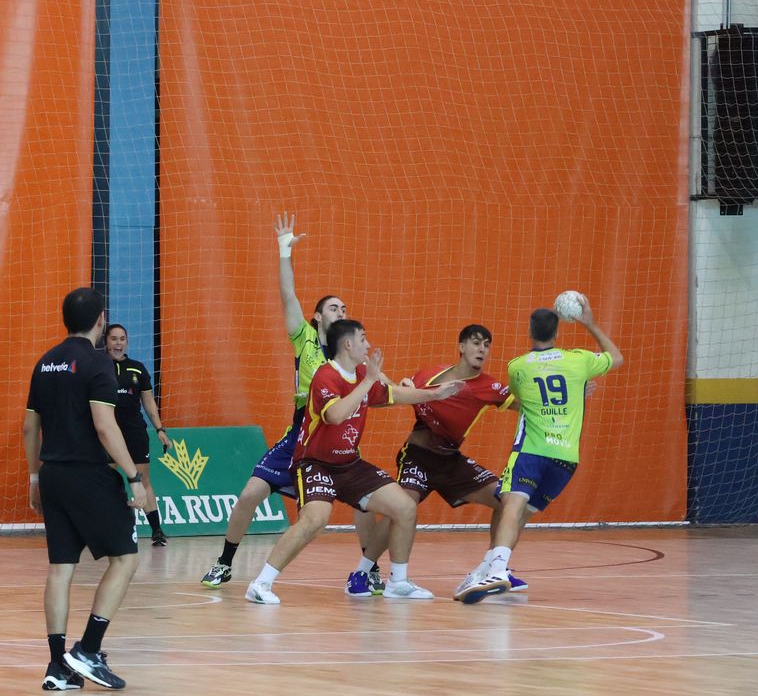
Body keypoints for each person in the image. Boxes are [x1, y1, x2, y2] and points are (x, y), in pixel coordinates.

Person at [200, 213, 382, 591]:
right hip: (300, 434)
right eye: (334, 308)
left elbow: (381, 385)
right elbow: (288, 295)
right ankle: (225, 561)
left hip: (337, 436)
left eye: (345, 309)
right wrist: (284, 251)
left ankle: (370, 566)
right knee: (250, 493)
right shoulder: (305, 338)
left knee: (365, 504)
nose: (341, 313)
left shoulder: (353, 353)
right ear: (317, 317)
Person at [242, 319, 463, 605]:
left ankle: (398, 582)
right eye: (363, 339)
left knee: (405, 507)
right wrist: (369, 381)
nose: (368, 345)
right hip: (314, 463)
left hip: (348, 464)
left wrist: (434, 394)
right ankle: (261, 583)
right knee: (315, 519)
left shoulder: (361, 374)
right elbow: (335, 415)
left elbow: (394, 395)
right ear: (348, 344)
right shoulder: (326, 375)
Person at [24, 288, 158, 691]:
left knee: (61, 569)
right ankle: (88, 649)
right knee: (125, 559)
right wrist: (134, 477)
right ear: (101, 320)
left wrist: (34, 476)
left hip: (52, 475)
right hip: (88, 475)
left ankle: (56, 666)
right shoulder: (99, 364)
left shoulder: (45, 362)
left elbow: (30, 427)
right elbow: (104, 425)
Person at [456, 300, 622, 603]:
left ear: (530, 331)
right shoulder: (579, 361)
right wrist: (590, 324)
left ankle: (497, 570)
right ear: (558, 331)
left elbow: (522, 398)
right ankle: (486, 569)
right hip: (566, 459)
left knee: (511, 508)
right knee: (522, 515)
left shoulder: (517, 367)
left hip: (532, 452)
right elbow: (616, 357)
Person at [361, 324, 529, 596]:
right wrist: (392, 382)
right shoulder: (429, 375)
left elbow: (528, 406)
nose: (482, 349)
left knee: (507, 500)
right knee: (402, 507)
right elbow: (398, 394)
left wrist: (566, 398)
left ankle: (490, 570)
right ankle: (363, 573)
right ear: (462, 347)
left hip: (450, 461)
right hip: (418, 457)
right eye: (476, 343)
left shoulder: (489, 386)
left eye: (486, 345)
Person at [105, 323, 173, 544]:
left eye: (122, 339)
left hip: (134, 432)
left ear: (127, 342)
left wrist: (160, 430)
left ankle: (156, 531)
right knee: (106, 480)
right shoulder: (98, 366)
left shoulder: (137, 368)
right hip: (107, 433)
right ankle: (106, 529)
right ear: (106, 341)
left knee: (143, 480)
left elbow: (149, 403)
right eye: (113, 338)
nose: (118, 343)